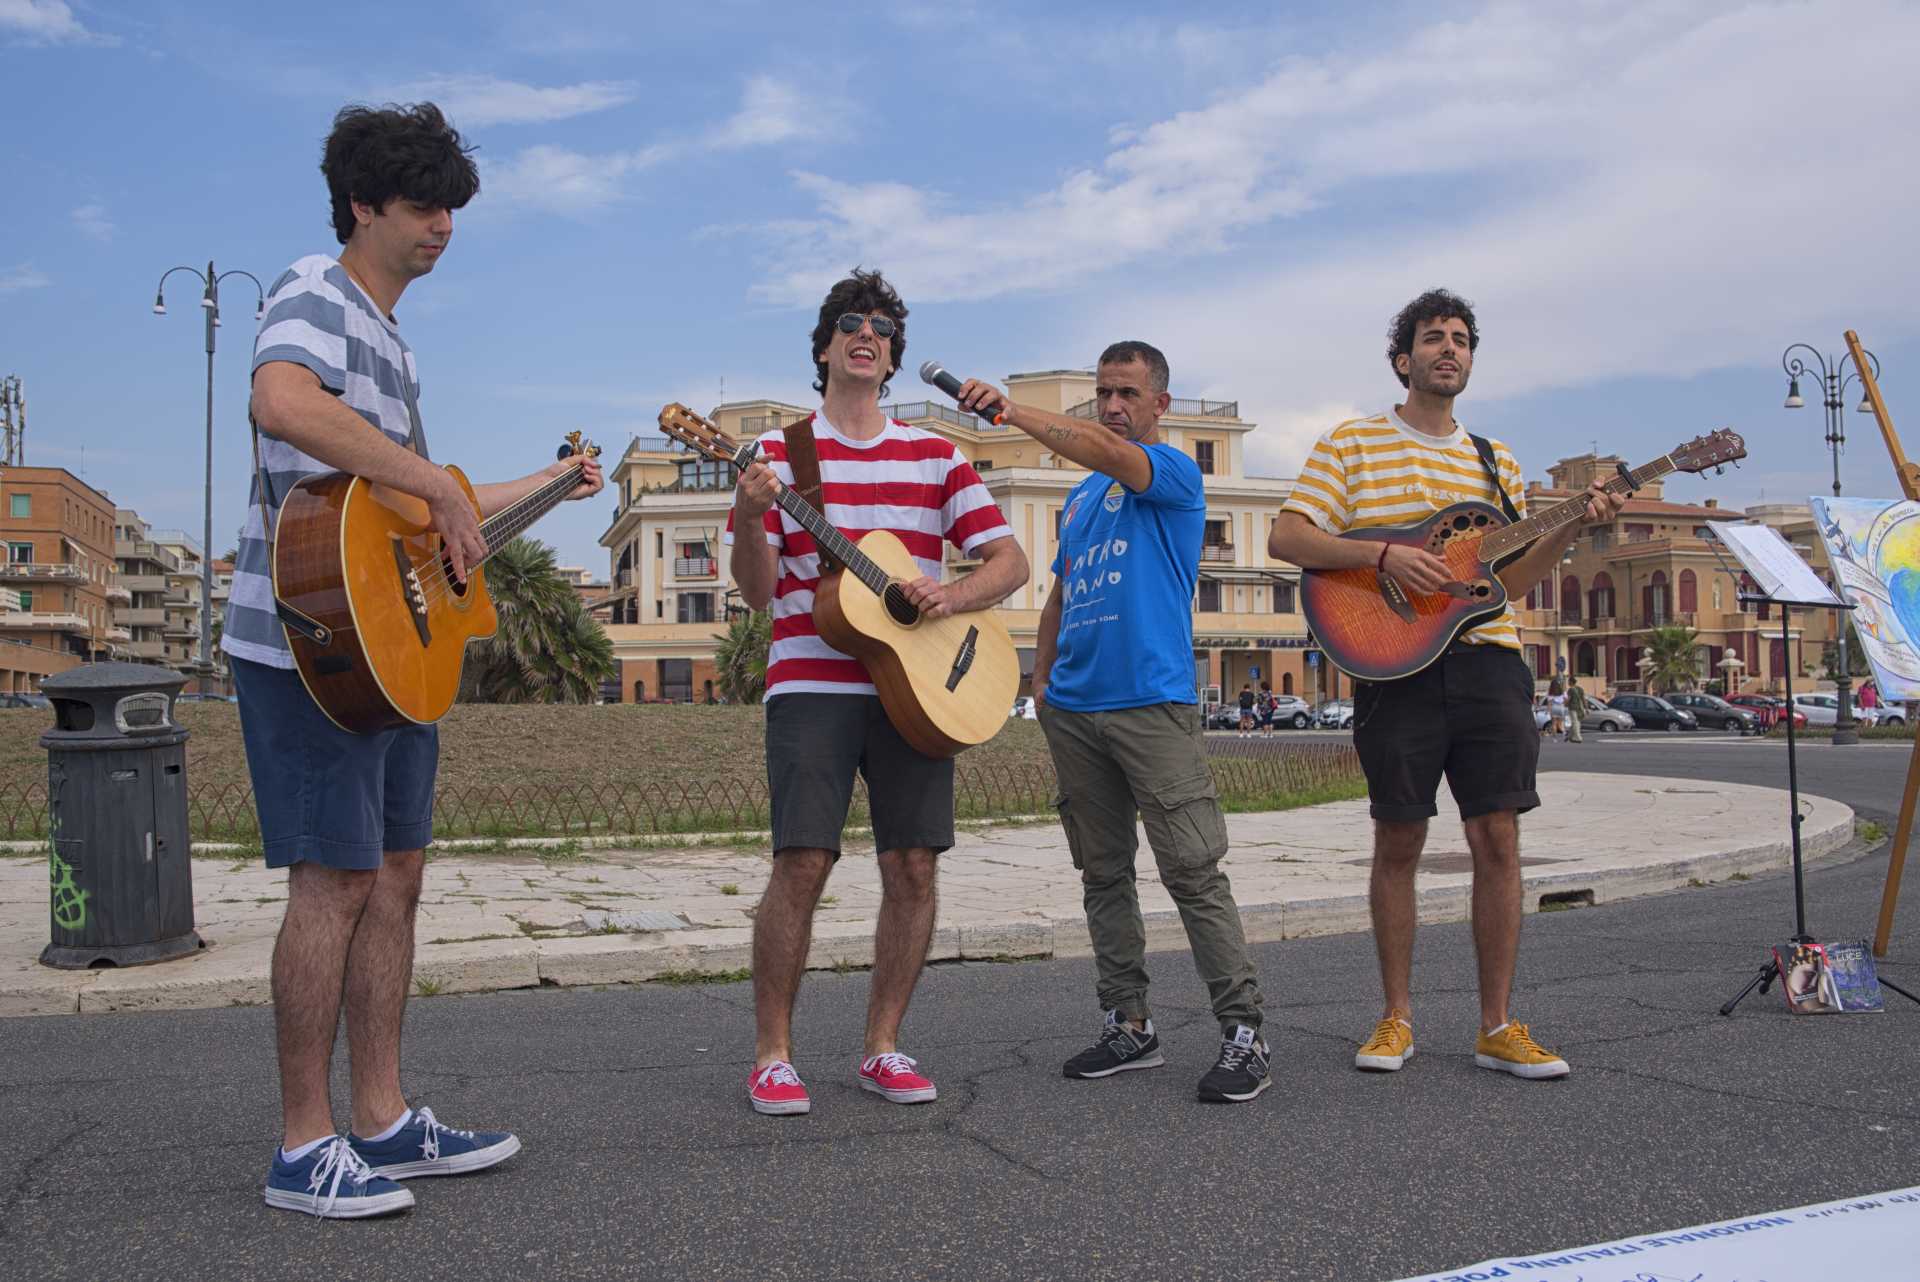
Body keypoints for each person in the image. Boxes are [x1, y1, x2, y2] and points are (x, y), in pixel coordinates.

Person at [227, 103, 604, 1217]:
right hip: (307, 644)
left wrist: (541, 484)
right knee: (334, 881)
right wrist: (435, 485)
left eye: (453, 207)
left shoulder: (392, 342)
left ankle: (383, 1122)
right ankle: (305, 1145)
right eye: (424, 204)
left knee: (394, 879)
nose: (445, 224)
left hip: (387, 653)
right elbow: (280, 399)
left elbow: (408, 507)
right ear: (362, 205)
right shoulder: (315, 290)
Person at [1267, 289, 1625, 1081]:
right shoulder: (1351, 445)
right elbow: (1287, 534)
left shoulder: (1498, 463)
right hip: (1395, 663)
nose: (1449, 349)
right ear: (1404, 359)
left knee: (1497, 838)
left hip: (1489, 661)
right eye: (1434, 338)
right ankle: (1395, 1018)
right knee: (1400, 838)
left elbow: (1515, 579)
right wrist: (1384, 557)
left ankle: (1497, 1024)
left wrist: (1570, 524)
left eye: (1462, 339)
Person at [728, 269, 1029, 1117]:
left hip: (924, 686)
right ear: (824, 346)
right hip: (810, 683)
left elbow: (1010, 563)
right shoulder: (779, 458)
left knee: (913, 864)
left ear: (893, 356)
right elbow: (756, 593)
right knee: (803, 861)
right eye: (853, 322)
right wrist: (752, 518)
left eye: (886, 327)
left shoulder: (937, 454)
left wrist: (952, 596)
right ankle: (773, 1055)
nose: (871, 333)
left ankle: (882, 1046)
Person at [956, 342, 1273, 1103]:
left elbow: (1104, 449)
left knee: (1192, 870)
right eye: (1103, 392)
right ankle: (1129, 1025)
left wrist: (1007, 409)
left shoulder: (1173, 473)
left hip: (1150, 702)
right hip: (1078, 710)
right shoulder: (1084, 500)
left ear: (1160, 403)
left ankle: (1245, 1033)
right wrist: (1044, 682)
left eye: (1128, 393)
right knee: (1103, 875)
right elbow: (1062, 590)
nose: (1113, 406)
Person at [1565, 678, 1588, 744]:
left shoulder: (1570, 690)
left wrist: (1565, 704)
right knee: (1576, 722)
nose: (1568, 683)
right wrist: (1586, 708)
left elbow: (1568, 699)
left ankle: (1578, 738)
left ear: (1571, 682)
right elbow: (1584, 699)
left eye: (1568, 681)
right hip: (1580, 708)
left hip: (1573, 708)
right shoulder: (1580, 689)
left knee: (1575, 723)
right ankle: (1570, 736)